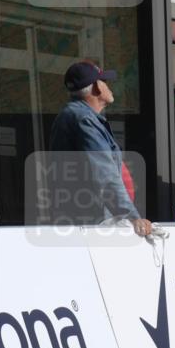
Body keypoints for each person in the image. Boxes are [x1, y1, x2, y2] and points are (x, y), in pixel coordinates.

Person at [48, 60, 152, 236]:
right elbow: (105, 176)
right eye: (105, 82)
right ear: (97, 87)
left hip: (83, 222)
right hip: (92, 225)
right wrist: (133, 217)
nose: (109, 87)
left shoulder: (76, 116)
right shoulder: (84, 119)